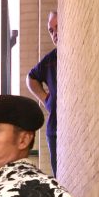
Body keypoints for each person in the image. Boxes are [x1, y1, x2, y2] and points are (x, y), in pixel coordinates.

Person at [26, 11, 58, 174]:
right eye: (51, 31)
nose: (55, 33)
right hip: (55, 130)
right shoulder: (50, 60)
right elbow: (30, 78)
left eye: (58, 27)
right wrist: (46, 99)